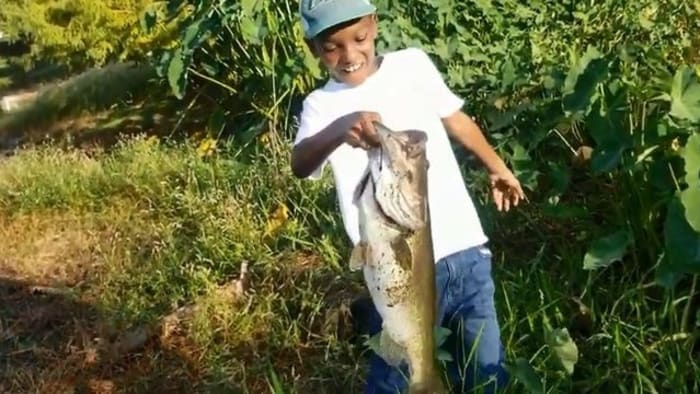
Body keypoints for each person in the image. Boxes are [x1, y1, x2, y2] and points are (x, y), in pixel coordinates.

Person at [291, 1, 525, 393]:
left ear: (374, 26)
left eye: (359, 39)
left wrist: (497, 167)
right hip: (395, 276)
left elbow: (457, 120)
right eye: (332, 47)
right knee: (394, 377)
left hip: (466, 254)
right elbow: (300, 163)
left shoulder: (411, 65)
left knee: (486, 373)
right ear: (313, 47)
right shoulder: (320, 106)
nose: (349, 55)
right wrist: (341, 128)